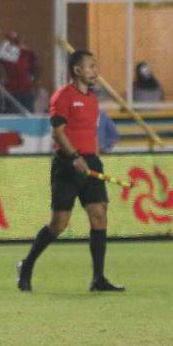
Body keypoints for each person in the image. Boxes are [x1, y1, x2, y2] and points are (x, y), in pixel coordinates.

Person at [17, 49, 125, 294]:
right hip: (67, 165)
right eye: (91, 67)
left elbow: (88, 131)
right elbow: (58, 131)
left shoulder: (93, 99)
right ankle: (26, 265)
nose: (96, 71)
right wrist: (75, 157)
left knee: (99, 216)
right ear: (77, 70)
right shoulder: (63, 96)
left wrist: (92, 157)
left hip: (90, 162)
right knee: (58, 224)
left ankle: (98, 279)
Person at [0, 31, 38, 114]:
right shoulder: (4, 55)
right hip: (12, 88)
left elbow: (35, 68)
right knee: (12, 113)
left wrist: (33, 82)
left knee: (26, 111)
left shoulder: (26, 52)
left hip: (24, 88)